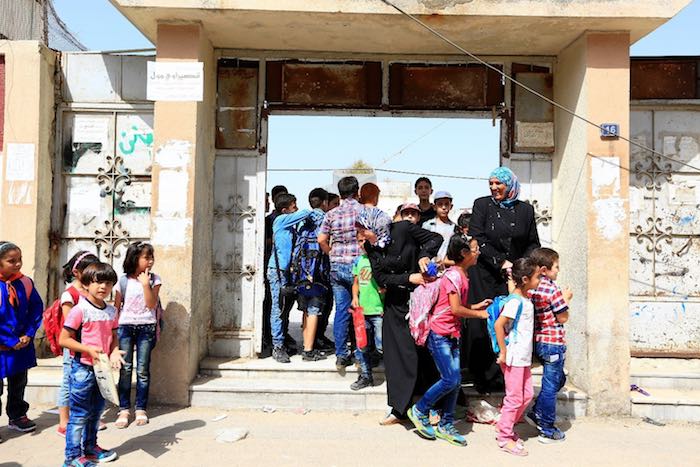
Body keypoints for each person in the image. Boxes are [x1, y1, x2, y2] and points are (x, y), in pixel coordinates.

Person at [407, 236, 491, 446]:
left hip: (452, 333)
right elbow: (455, 309)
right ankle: (419, 410)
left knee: (455, 382)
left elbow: (455, 307)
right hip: (440, 334)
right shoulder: (454, 276)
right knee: (450, 379)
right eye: (474, 249)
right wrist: (480, 315)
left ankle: (446, 424)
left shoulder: (462, 274)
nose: (478, 252)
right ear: (464, 254)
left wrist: (476, 306)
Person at [467, 166, 540, 393]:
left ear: (510, 185)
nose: (494, 187)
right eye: (491, 183)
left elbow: (532, 243)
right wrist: (500, 262)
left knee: (509, 324)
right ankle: (481, 379)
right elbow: (477, 237)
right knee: (483, 323)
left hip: (512, 278)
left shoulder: (526, 210)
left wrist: (521, 267)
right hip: (485, 274)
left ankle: (505, 377)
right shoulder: (482, 205)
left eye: (499, 183)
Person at [365, 210, 442, 425]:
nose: (360, 234)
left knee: (425, 353)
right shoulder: (371, 246)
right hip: (395, 303)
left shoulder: (403, 228)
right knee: (396, 355)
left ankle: (432, 405)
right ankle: (399, 408)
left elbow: (436, 238)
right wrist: (409, 277)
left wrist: (424, 256)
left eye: (362, 229)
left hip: (421, 302)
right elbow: (381, 278)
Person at [59, 262, 124, 465]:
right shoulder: (80, 310)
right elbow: (64, 339)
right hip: (82, 369)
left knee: (96, 412)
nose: (103, 287)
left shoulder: (112, 312)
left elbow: (113, 337)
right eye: (98, 282)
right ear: (87, 284)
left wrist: (113, 352)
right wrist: (88, 349)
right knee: (79, 414)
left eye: (108, 283)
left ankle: (90, 448)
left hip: (102, 370)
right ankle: (71, 457)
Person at [494, 257, 540, 457]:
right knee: (514, 398)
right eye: (537, 276)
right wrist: (503, 352)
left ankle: (506, 425)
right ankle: (504, 436)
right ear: (525, 279)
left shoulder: (525, 300)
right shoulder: (515, 301)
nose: (539, 280)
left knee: (527, 395)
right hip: (514, 357)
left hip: (523, 358)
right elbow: (498, 325)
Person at [526, 247, 573, 444]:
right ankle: (546, 427)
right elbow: (562, 317)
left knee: (556, 380)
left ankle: (537, 412)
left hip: (539, 341)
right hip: (552, 342)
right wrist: (566, 299)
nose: (558, 271)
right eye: (556, 267)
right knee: (550, 387)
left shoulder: (532, 286)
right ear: (545, 269)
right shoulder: (552, 289)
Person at [114, 242, 162, 428]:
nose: (150, 261)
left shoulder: (154, 280)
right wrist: (113, 334)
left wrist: (145, 285)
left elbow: (151, 304)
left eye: (151, 258)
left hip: (146, 327)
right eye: (146, 258)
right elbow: (117, 308)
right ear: (135, 258)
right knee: (125, 369)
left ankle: (141, 407)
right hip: (125, 327)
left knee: (142, 370)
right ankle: (124, 409)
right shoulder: (123, 281)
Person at [318, 176, 364, 370]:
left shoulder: (331, 214)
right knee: (360, 311)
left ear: (340, 193)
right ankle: (360, 354)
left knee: (341, 311)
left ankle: (341, 355)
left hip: (337, 266)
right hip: (358, 267)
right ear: (357, 191)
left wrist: (332, 254)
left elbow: (321, 240)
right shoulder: (364, 211)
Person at [0, 241, 43, 440]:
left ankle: (17, 415)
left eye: (19, 260)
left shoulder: (24, 283)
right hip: (3, 346)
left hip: (20, 346)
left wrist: (29, 333)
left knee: (19, 382)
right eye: (11, 261)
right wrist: (9, 340)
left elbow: (36, 308)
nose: (18, 265)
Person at [57, 251, 100, 436]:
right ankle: (64, 421)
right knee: (69, 382)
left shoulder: (91, 290)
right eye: (89, 270)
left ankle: (87, 415)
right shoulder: (70, 295)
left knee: (90, 382)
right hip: (75, 347)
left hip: (90, 347)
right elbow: (70, 325)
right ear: (77, 273)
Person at [350, 209, 391, 391]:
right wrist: (354, 299)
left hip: (378, 310)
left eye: (364, 240)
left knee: (383, 345)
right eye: (359, 241)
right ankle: (366, 376)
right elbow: (356, 282)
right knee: (362, 346)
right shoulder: (359, 261)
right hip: (362, 311)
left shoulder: (381, 260)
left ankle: (393, 374)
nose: (362, 244)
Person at [268, 193, 312, 363]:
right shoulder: (281, 220)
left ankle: (283, 340)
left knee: (285, 308)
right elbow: (305, 213)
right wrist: (313, 210)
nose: (296, 208)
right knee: (278, 309)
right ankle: (277, 346)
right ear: (285, 210)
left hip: (286, 272)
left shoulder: (289, 223)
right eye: (293, 206)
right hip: (277, 271)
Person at [294, 188, 330, 361]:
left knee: (306, 310)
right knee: (314, 310)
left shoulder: (303, 220)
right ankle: (309, 350)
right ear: (324, 202)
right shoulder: (324, 219)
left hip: (301, 272)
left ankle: (305, 346)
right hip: (317, 273)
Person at [262, 185, 289, 358]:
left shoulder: (285, 220)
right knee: (273, 306)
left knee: (281, 305)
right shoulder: (271, 220)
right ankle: (273, 341)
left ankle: (280, 338)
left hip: (281, 268)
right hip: (271, 266)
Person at [422, 191, 458, 267]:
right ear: (434, 207)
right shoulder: (427, 225)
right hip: (430, 266)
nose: (444, 207)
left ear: (451, 207)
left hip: (447, 267)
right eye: (440, 204)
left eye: (446, 204)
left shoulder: (454, 228)